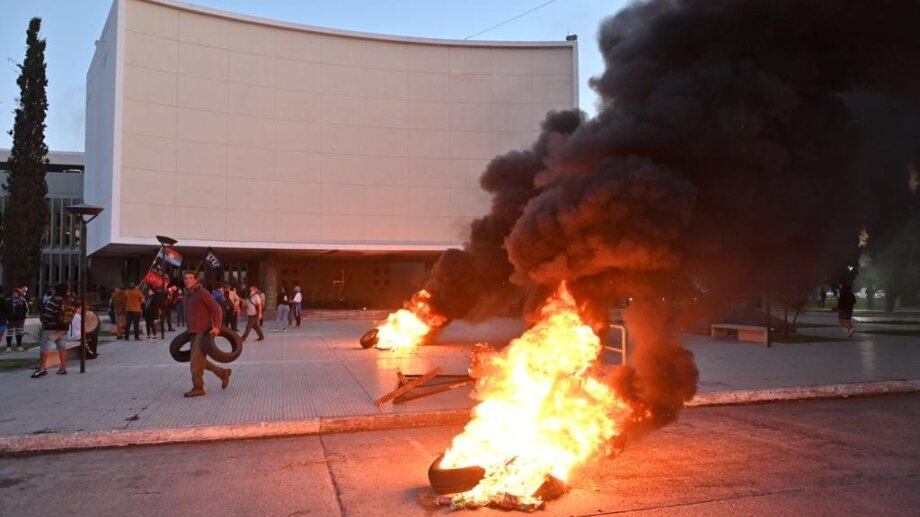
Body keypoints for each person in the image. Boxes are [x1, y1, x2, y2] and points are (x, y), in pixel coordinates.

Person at [182, 271, 231, 397]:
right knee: (199, 361)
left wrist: (217, 327)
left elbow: (217, 309)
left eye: (190, 278)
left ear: (196, 280)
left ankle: (198, 387)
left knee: (195, 362)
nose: (187, 280)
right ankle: (222, 373)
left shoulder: (202, 292)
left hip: (202, 332)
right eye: (185, 278)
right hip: (192, 331)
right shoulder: (187, 294)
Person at [32, 283, 73, 378]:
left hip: (51, 329)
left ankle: (42, 368)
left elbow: (47, 314)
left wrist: (45, 323)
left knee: (44, 348)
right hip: (63, 328)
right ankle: (63, 368)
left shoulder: (53, 300)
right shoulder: (68, 301)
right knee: (62, 348)